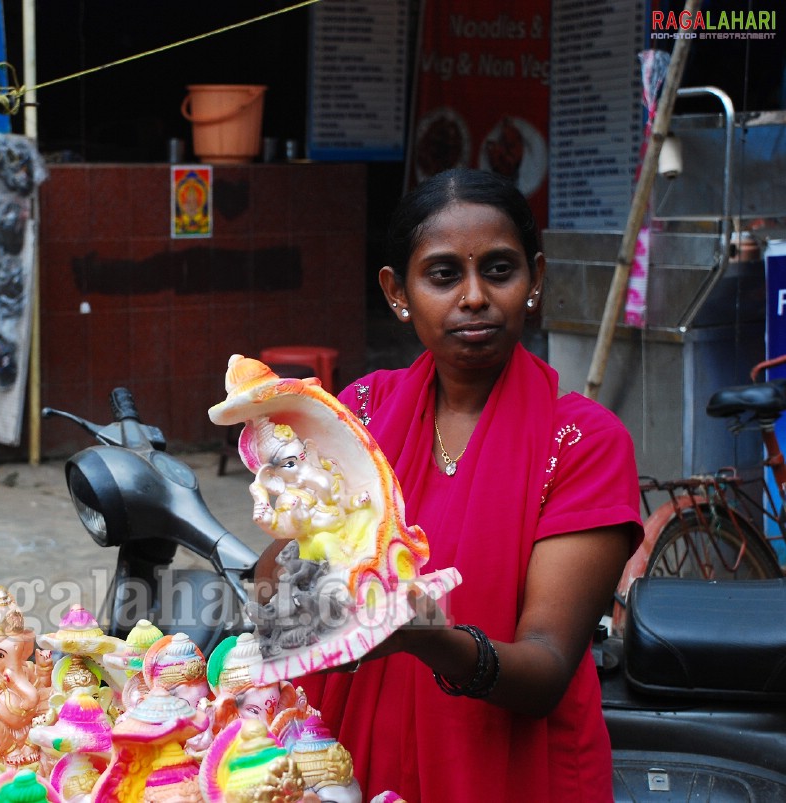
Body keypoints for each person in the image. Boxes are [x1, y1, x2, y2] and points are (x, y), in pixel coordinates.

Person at [264, 168, 641, 800]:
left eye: (498, 270)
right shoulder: (355, 415)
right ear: (397, 291)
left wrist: (424, 637)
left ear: (535, 280)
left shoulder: (583, 442)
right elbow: (282, 592)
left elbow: (546, 665)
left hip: (512, 771)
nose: (473, 296)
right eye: (443, 275)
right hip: (348, 762)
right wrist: (286, 565)